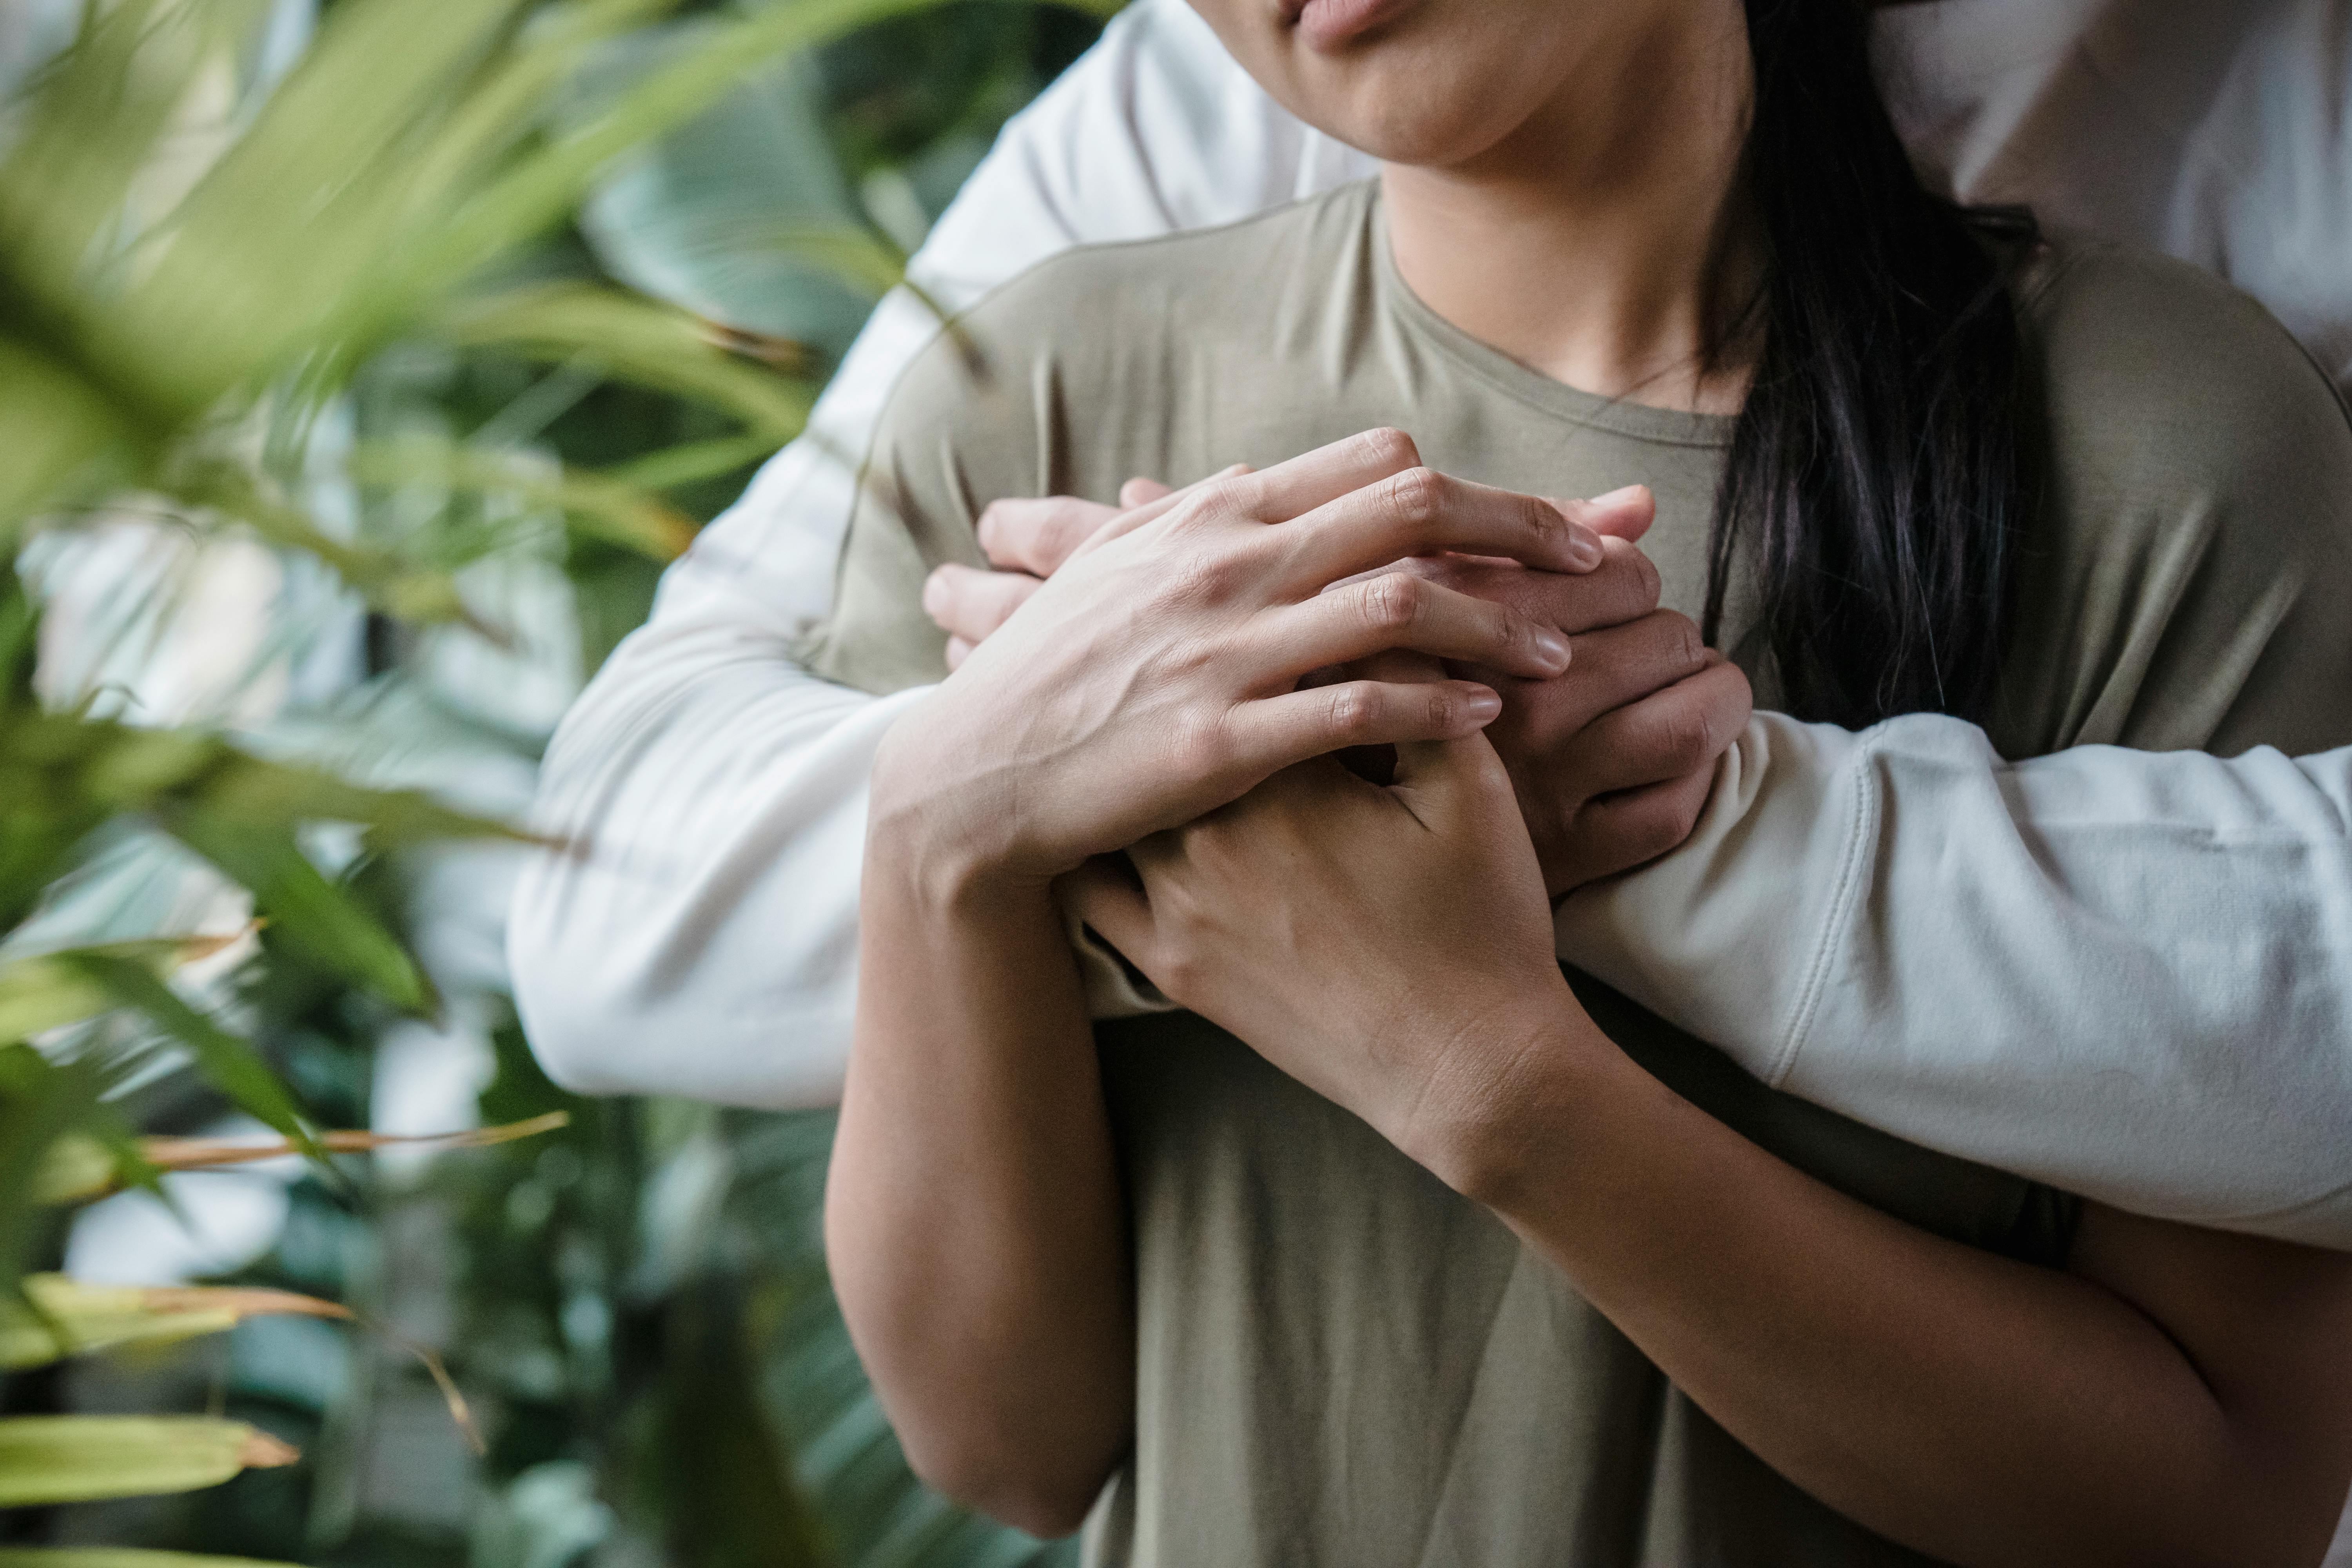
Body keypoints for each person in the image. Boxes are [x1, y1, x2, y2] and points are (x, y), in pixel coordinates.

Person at [815, 0, 2352, 1562]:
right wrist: (938, 832)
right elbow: (1007, 1443)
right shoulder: (1036, 400)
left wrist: (1494, 1085)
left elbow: (2226, 1505)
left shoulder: (2163, 450)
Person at [506, 0, 2352, 1249]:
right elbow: (606, 901)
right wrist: (1037, 791)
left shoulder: (2196, 351)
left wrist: (1651, 820)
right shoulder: (1183, 155)